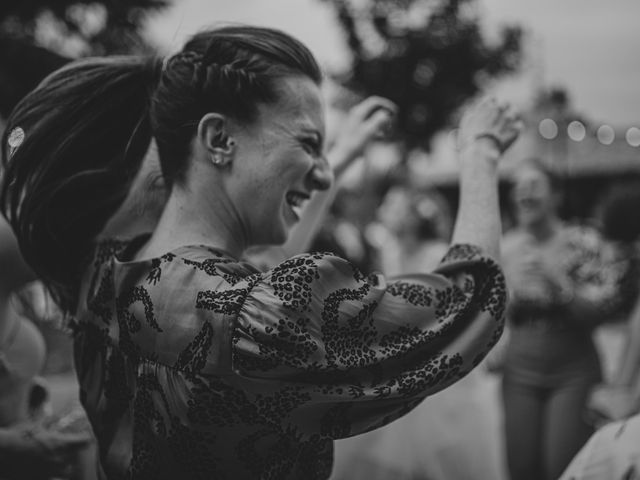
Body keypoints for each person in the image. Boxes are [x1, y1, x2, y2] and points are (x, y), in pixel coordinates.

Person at [1, 25, 521, 479]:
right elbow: (468, 305)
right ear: (219, 139)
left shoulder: (105, 272)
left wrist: (331, 159)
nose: (320, 171)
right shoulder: (257, 317)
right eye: (307, 144)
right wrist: (480, 152)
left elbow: (238, 287)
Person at [500, 157, 635, 480]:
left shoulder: (583, 241)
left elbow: (600, 313)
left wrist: (558, 284)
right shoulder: (505, 247)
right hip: (520, 369)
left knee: (563, 468)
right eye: (518, 187)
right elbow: (492, 315)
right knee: (520, 468)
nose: (524, 192)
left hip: (572, 371)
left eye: (534, 185)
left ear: (556, 195)